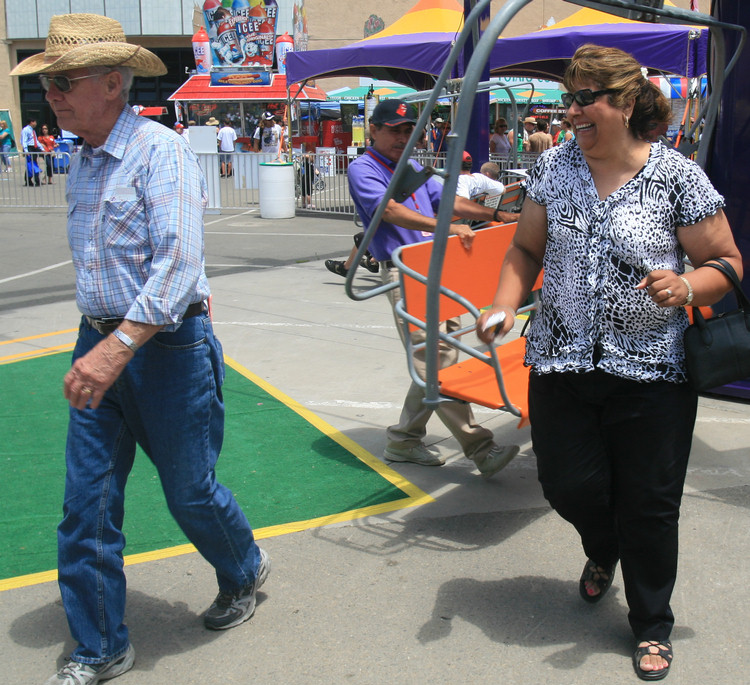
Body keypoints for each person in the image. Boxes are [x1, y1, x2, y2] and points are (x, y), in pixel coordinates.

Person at [10, 13, 269, 684]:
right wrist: (99, 344)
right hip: (99, 340)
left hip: (165, 348)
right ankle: (98, 645)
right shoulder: (85, 159)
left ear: (113, 84)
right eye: (48, 83)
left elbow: (179, 267)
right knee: (85, 502)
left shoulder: (161, 151)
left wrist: (115, 346)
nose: (53, 94)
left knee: (190, 491)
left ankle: (242, 568)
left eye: (63, 81)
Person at [477, 44, 742, 682]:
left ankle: (652, 623)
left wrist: (686, 288)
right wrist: (503, 307)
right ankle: (604, 548)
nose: (571, 112)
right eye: (569, 99)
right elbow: (523, 249)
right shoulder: (553, 168)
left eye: (585, 98)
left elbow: (727, 264)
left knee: (650, 502)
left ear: (624, 102)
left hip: (653, 371)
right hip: (561, 362)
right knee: (565, 484)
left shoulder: (676, 176)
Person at [348, 98, 520, 477]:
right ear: (374, 130)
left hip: (438, 269)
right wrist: (444, 227)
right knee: (437, 358)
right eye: (395, 130)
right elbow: (388, 210)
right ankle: (480, 446)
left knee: (438, 358)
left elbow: (450, 202)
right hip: (407, 272)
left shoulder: (410, 165)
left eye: (409, 130)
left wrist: (495, 214)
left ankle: (403, 439)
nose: (403, 136)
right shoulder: (364, 168)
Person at [21, 117, 41, 186]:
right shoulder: (25, 130)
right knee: (31, 164)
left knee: (33, 164)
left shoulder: (33, 130)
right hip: (29, 148)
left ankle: (30, 180)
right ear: (31, 122)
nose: (36, 123)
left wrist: (41, 148)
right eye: (35, 122)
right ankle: (32, 180)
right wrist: (26, 150)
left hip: (34, 147)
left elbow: (35, 140)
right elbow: (24, 141)